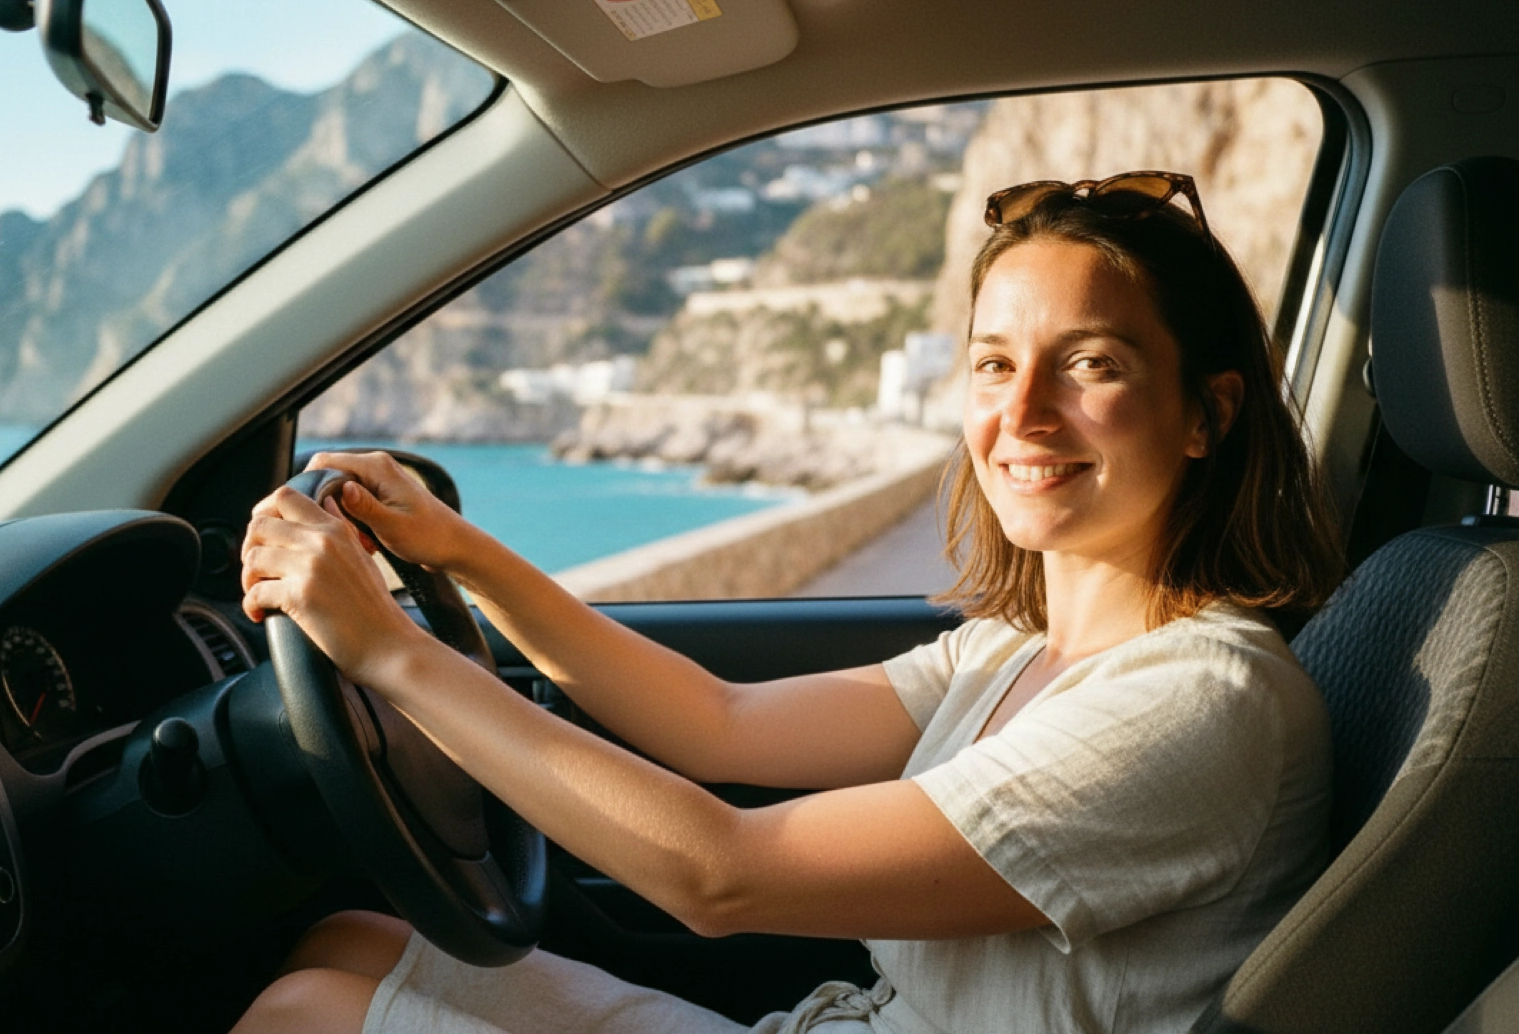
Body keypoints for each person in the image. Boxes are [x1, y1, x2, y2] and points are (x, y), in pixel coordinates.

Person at [232, 171, 1345, 1034]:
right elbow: (720, 724)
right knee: (355, 938)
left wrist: (385, 648)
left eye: (1090, 363)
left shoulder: (1204, 700)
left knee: (304, 1017)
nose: (1025, 414)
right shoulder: (1017, 651)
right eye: (995, 365)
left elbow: (721, 873)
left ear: (1206, 412)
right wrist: (460, 548)